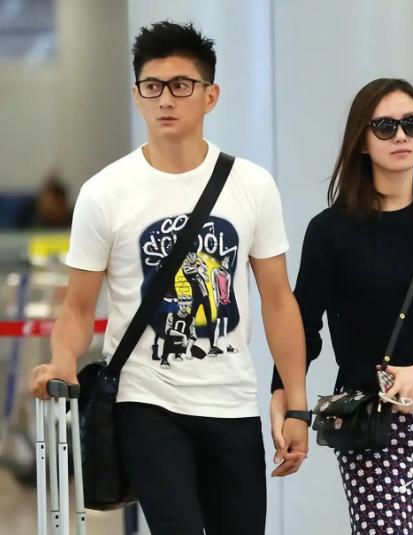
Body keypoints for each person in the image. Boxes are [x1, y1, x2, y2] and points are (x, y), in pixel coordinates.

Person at [29, 21, 309, 535]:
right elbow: (77, 306)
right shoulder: (104, 193)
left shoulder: (252, 186)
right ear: (137, 94)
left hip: (232, 400)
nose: (165, 99)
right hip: (146, 402)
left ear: (210, 96)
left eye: (181, 85)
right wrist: (64, 359)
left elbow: (278, 300)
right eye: (152, 86)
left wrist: (297, 405)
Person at [270, 78, 413, 535]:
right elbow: (303, 328)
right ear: (362, 140)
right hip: (368, 421)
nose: (401, 136)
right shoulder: (330, 231)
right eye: (385, 126)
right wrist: (286, 400)